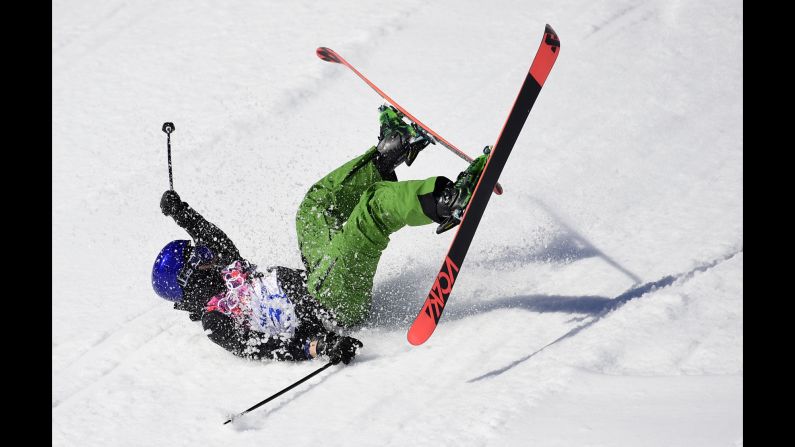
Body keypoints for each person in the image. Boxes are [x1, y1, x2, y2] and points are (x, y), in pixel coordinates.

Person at [151, 105, 487, 364]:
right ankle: (446, 201)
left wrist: (183, 215)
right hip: (331, 304)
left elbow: (217, 239)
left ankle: (389, 153)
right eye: (200, 259)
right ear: (189, 280)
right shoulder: (217, 319)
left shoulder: (226, 274)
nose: (209, 256)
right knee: (371, 210)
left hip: (319, 278)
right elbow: (263, 348)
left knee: (312, 210)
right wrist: (319, 346)